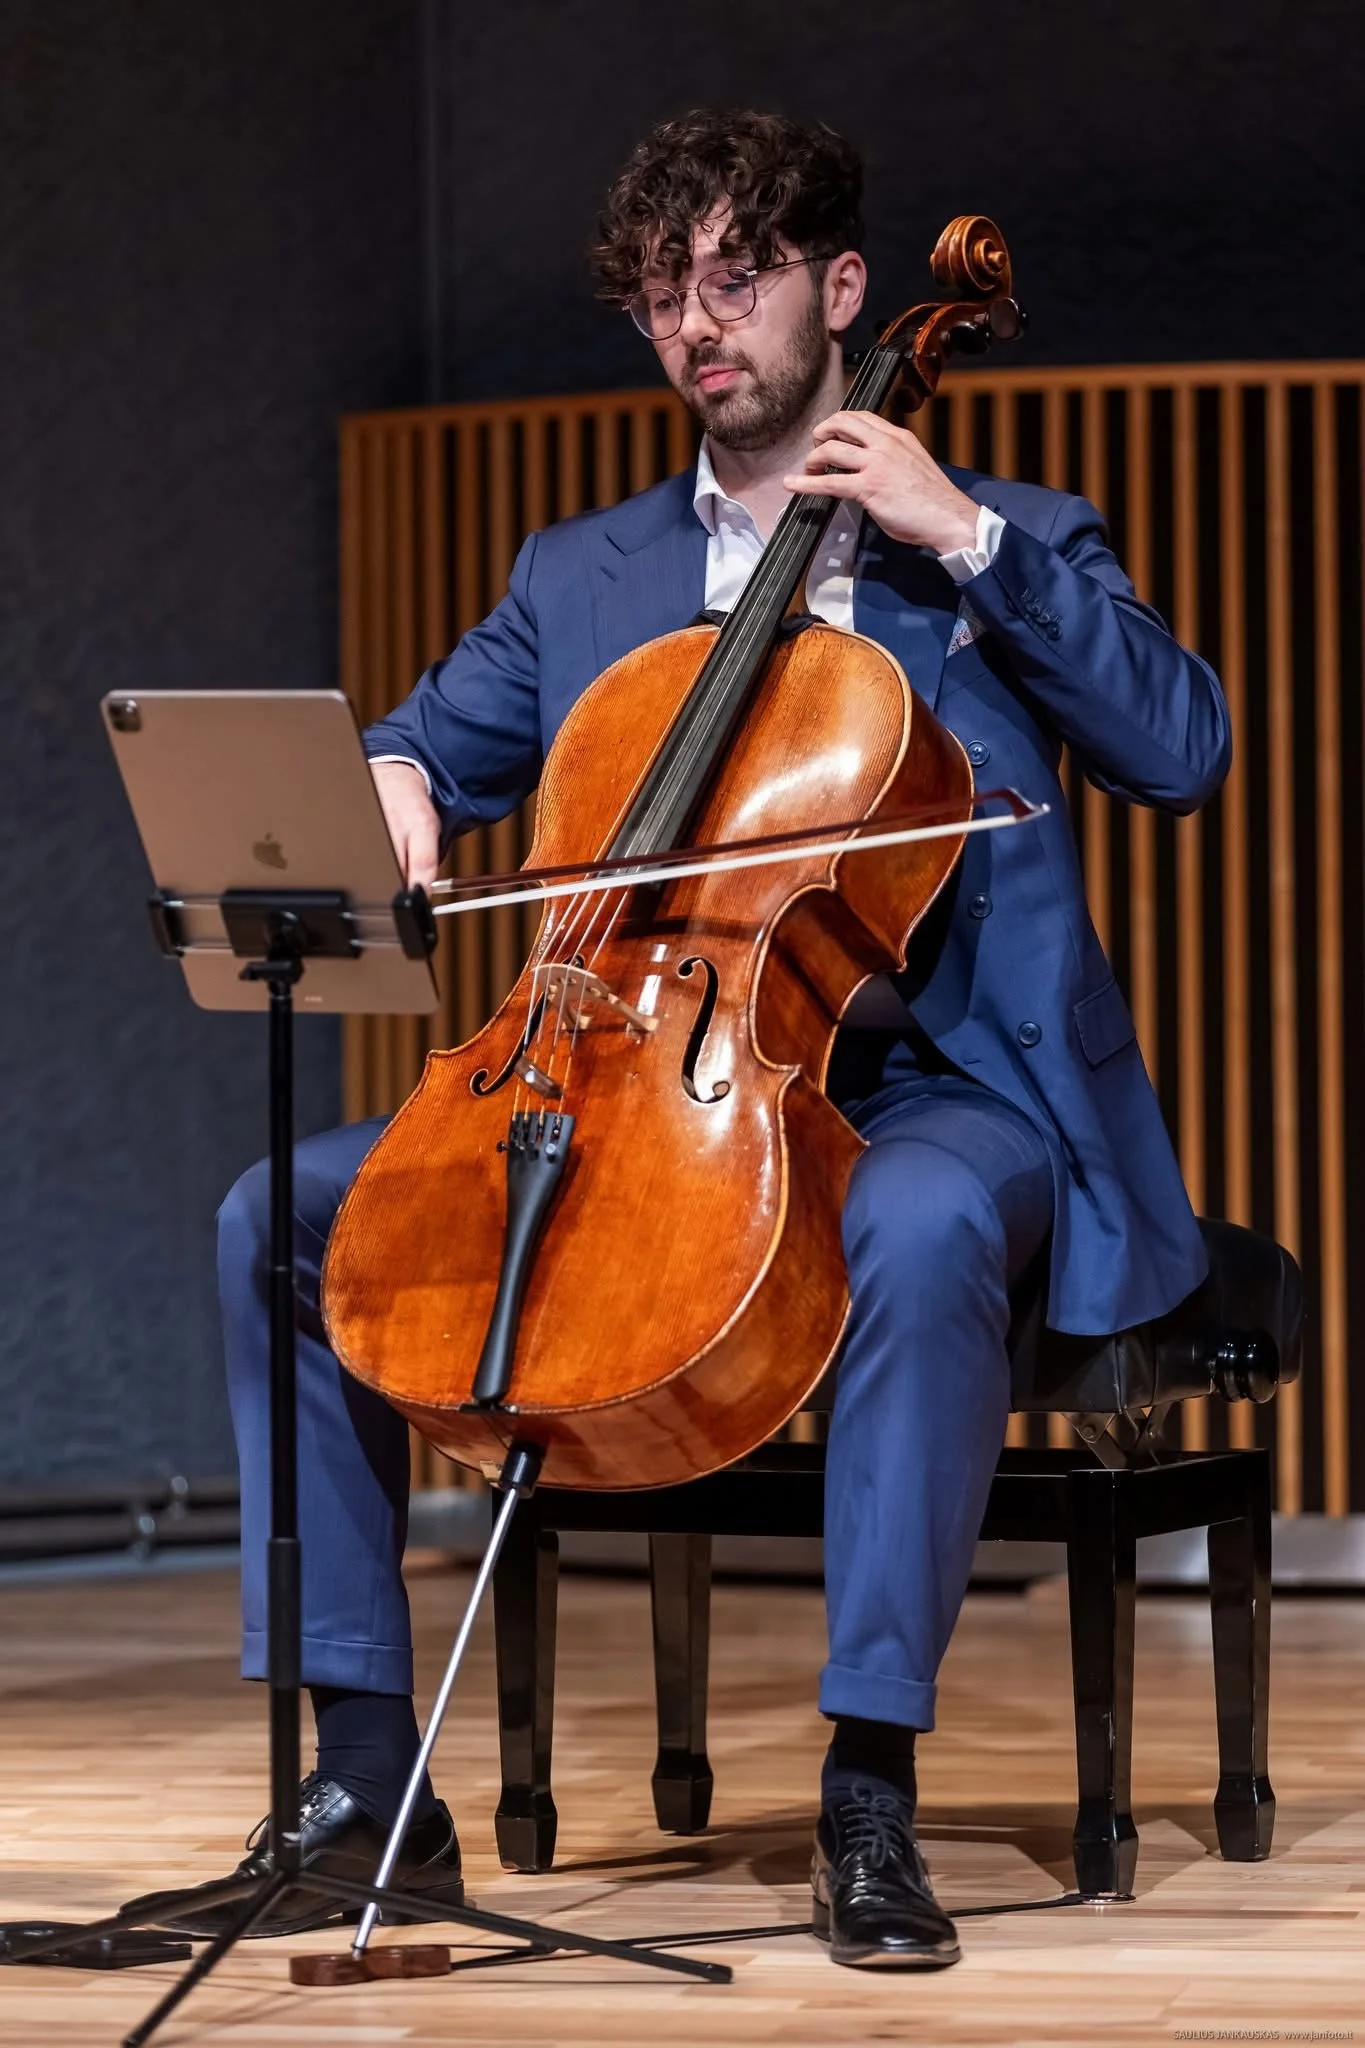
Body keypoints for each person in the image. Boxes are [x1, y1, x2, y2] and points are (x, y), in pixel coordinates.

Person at [127, 108, 1230, 1969]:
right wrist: (395, 784)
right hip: (637, 1074)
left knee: (926, 1225)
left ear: (841, 290)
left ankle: (869, 1788)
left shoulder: (1010, 540)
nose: (697, 325)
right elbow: (419, 741)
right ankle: (368, 1786)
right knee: (278, 1222)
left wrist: (953, 532)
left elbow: (1181, 749)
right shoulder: (585, 575)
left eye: (735, 278)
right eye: (662, 297)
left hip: (937, 1094)